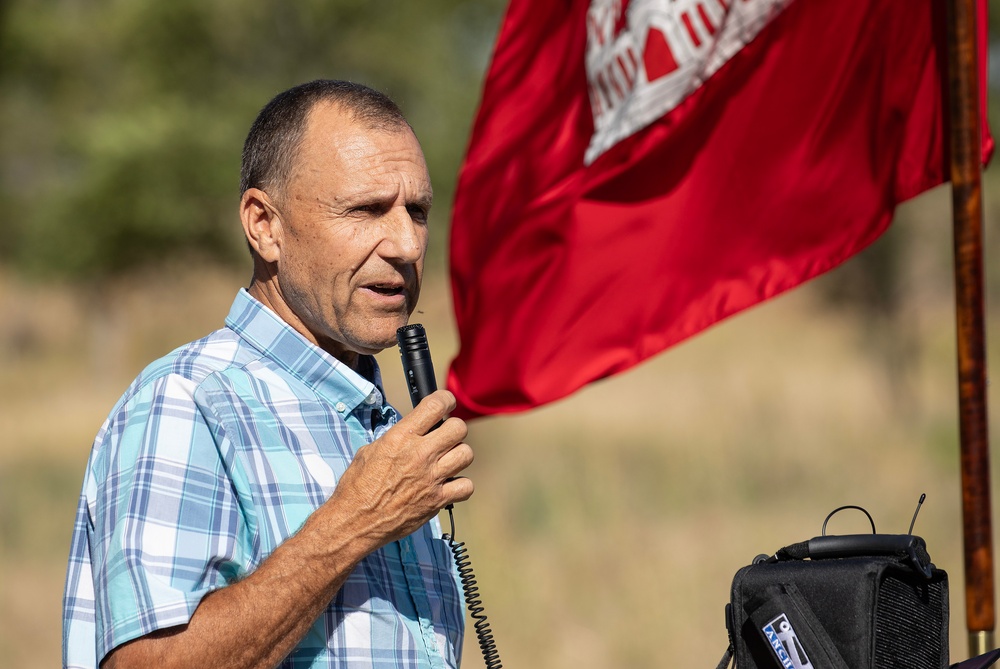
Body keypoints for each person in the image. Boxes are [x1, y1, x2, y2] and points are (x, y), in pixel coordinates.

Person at [62, 80, 474, 669]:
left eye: (418, 211)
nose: (407, 244)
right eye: (365, 210)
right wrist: (352, 523)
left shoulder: (382, 424)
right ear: (264, 225)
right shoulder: (187, 403)